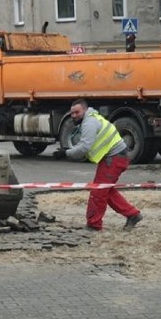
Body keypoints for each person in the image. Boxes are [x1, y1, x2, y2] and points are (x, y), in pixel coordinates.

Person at [53, 99, 142, 231]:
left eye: (77, 112)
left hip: (114, 158)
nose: (74, 115)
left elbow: (84, 147)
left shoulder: (89, 123)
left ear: (84, 110)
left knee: (98, 191)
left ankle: (94, 225)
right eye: (72, 113)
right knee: (106, 190)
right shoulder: (91, 118)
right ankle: (133, 214)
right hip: (114, 157)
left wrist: (67, 153)